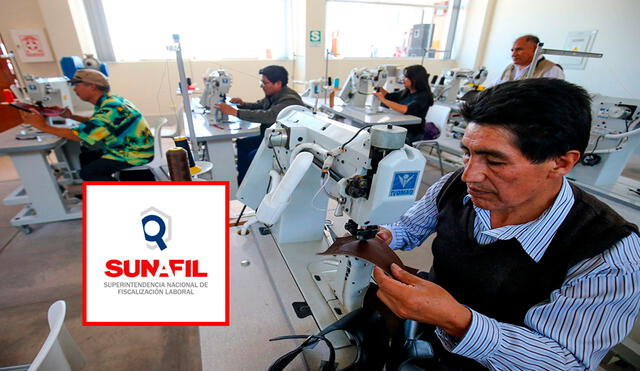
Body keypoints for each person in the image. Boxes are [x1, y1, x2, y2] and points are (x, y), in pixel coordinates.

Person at [373, 78, 640, 370]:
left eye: (495, 162)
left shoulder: (610, 255)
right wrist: (387, 235)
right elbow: (410, 228)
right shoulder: (453, 188)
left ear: (561, 163)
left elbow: (567, 361)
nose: (469, 175)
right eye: (468, 153)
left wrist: (458, 321)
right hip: (427, 339)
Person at [20, 69, 154, 181]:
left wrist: (42, 126)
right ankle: (96, 189)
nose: (74, 89)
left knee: (88, 172)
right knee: (86, 156)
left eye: (77, 84)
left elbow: (79, 136)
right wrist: (71, 116)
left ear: (91, 86)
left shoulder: (110, 109)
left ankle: (122, 195)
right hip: (132, 147)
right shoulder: (111, 100)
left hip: (134, 153)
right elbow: (96, 123)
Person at [214, 65, 303, 183]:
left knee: (253, 156)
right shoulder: (275, 95)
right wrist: (243, 104)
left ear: (278, 83)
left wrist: (235, 112)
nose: (262, 86)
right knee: (242, 144)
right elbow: (260, 105)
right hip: (270, 136)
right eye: (261, 82)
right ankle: (242, 181)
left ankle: (253, 185)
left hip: (284, 143)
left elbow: (268, 116)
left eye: (265, 83)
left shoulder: (289, 100)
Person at [373, 65, 434, 144]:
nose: (403, 79)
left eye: (406, 78)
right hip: (400, 128)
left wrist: (382, 100)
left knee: (380, 139)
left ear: (415, 79)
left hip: (412, 133)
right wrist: (379, 84)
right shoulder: (407, 92)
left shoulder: (423, 96)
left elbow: (406, 109)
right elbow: (388, 96)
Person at [495, 34, 564, 85]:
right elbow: (494, 88)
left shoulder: (551, 69)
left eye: (519, 49)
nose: (513, 54)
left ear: (535, 49)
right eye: (512, 50)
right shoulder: (510, 68)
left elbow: (554, 98)